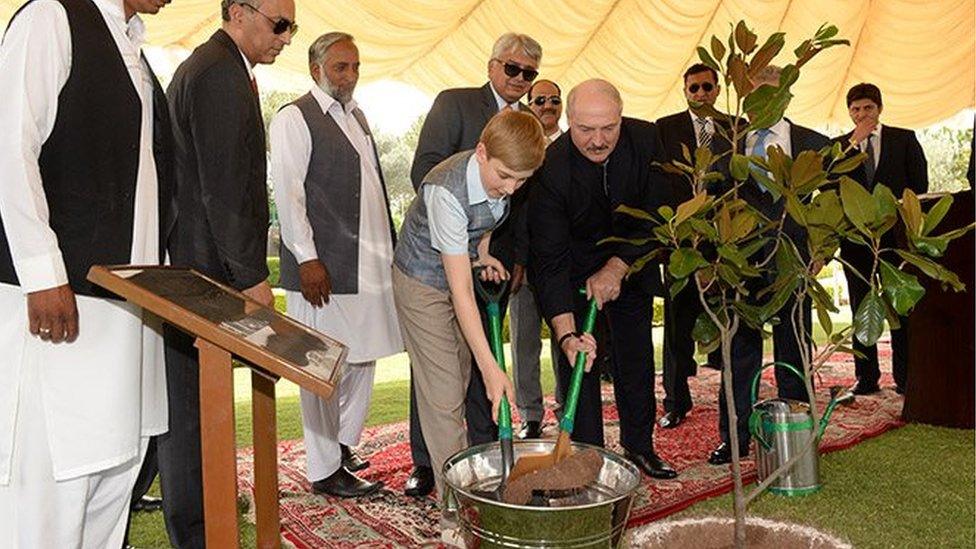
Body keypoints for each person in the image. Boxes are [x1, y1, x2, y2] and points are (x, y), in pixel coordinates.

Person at [0, 0, 173, 546]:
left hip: (127, 315)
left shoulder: (136, 51)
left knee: (111, 485)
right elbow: (10, 149)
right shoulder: (51, 17)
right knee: (49, 496)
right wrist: (43, 273)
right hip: (58, 311)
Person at [161, 0, 295, 545]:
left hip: (201, 264)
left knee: (186, 410)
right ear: (239, 12)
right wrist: (248, 275)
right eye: (279, 24)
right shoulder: (219, 72)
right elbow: (224, 187)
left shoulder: (218, 66)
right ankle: (196, 528)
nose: (286, 37)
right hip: (205, 271)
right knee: (190, 415)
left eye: (292, 27)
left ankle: (193, 510)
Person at [403, 32, 543, 497]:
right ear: (482, 152)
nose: (510, 188)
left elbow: (486, 218)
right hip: (421, 280)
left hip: (457, 264)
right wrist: (492, 367)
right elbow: (459, 292)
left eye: (521, 182)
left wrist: (484, 253)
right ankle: (454, 509)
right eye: (504, 176)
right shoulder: (445, 190)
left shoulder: (504, 179)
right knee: (445, 395)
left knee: (458, 374)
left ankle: (459, 484)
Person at [270, 31, 401, 498]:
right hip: (322, 270)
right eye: (340, 67)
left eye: (355, 67)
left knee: (363, 357)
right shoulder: (293, 118)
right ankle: (324, 469)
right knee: (321, 365)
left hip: (367, 269)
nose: (349, 76)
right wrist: (307, 259)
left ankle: (343, 445)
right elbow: (289, 194)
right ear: (316, 70)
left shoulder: (357, 117)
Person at [529, 79, 678, 480]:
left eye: (608, 128)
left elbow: (659, 211)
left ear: (621, 117)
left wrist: (617, 266)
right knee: (580, 362)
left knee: (636, 361)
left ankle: (640, 446)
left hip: (630, 262)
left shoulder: (647, 140)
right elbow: (549, 260)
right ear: (568, 121)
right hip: (572, 273)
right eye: (585, 130)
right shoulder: (550, 166)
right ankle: (588, 458)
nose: (597, 141)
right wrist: (565, 334)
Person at [708, 66, 829, 466]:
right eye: (752, 96)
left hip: (794, 264)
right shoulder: (726, 146)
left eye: (768, 95)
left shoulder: (815, 145)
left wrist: (822, 250)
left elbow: (831, 208)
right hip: (740, 268)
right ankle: (736, 437)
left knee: (794, 347)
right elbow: (709, 203)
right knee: (738, 352)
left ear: (786, 98)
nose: (758, 104)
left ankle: (795, 436)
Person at [835, 83, 928, 396]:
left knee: (900, 308)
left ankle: (906, 376)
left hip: (896, 241)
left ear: (879, 108)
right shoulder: (839, 147)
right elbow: (827, 181)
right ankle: (866, 378)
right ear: (849, 112)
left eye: (868, 108)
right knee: (862, 308)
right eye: (856, 109)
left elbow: (920, 185)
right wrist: (852, 144)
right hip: (854, 242)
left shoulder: (904, 139)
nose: (862, 114)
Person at [655, 63, 728, 429]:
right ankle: (675, 401)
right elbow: (658, 183)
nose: (700, 94)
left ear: (717, 89)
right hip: (681, 242)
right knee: (676, 322)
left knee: (730, 324)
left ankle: (733, 402)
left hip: (725, 243)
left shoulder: (735, 128)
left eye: (706, 87)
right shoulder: (665, 128)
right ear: (685, 91)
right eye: (693, 88)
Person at [510, 78, 563, 439]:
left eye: (554, 100)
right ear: (530, 104)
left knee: (567, 339)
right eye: (540, 99)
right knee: (524, 342)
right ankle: (530, 415)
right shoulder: (518, 146)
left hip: (562, 264)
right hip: (523, 266)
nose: (547, 105)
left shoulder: (576, 145)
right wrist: (516, 258)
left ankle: (568, 407)